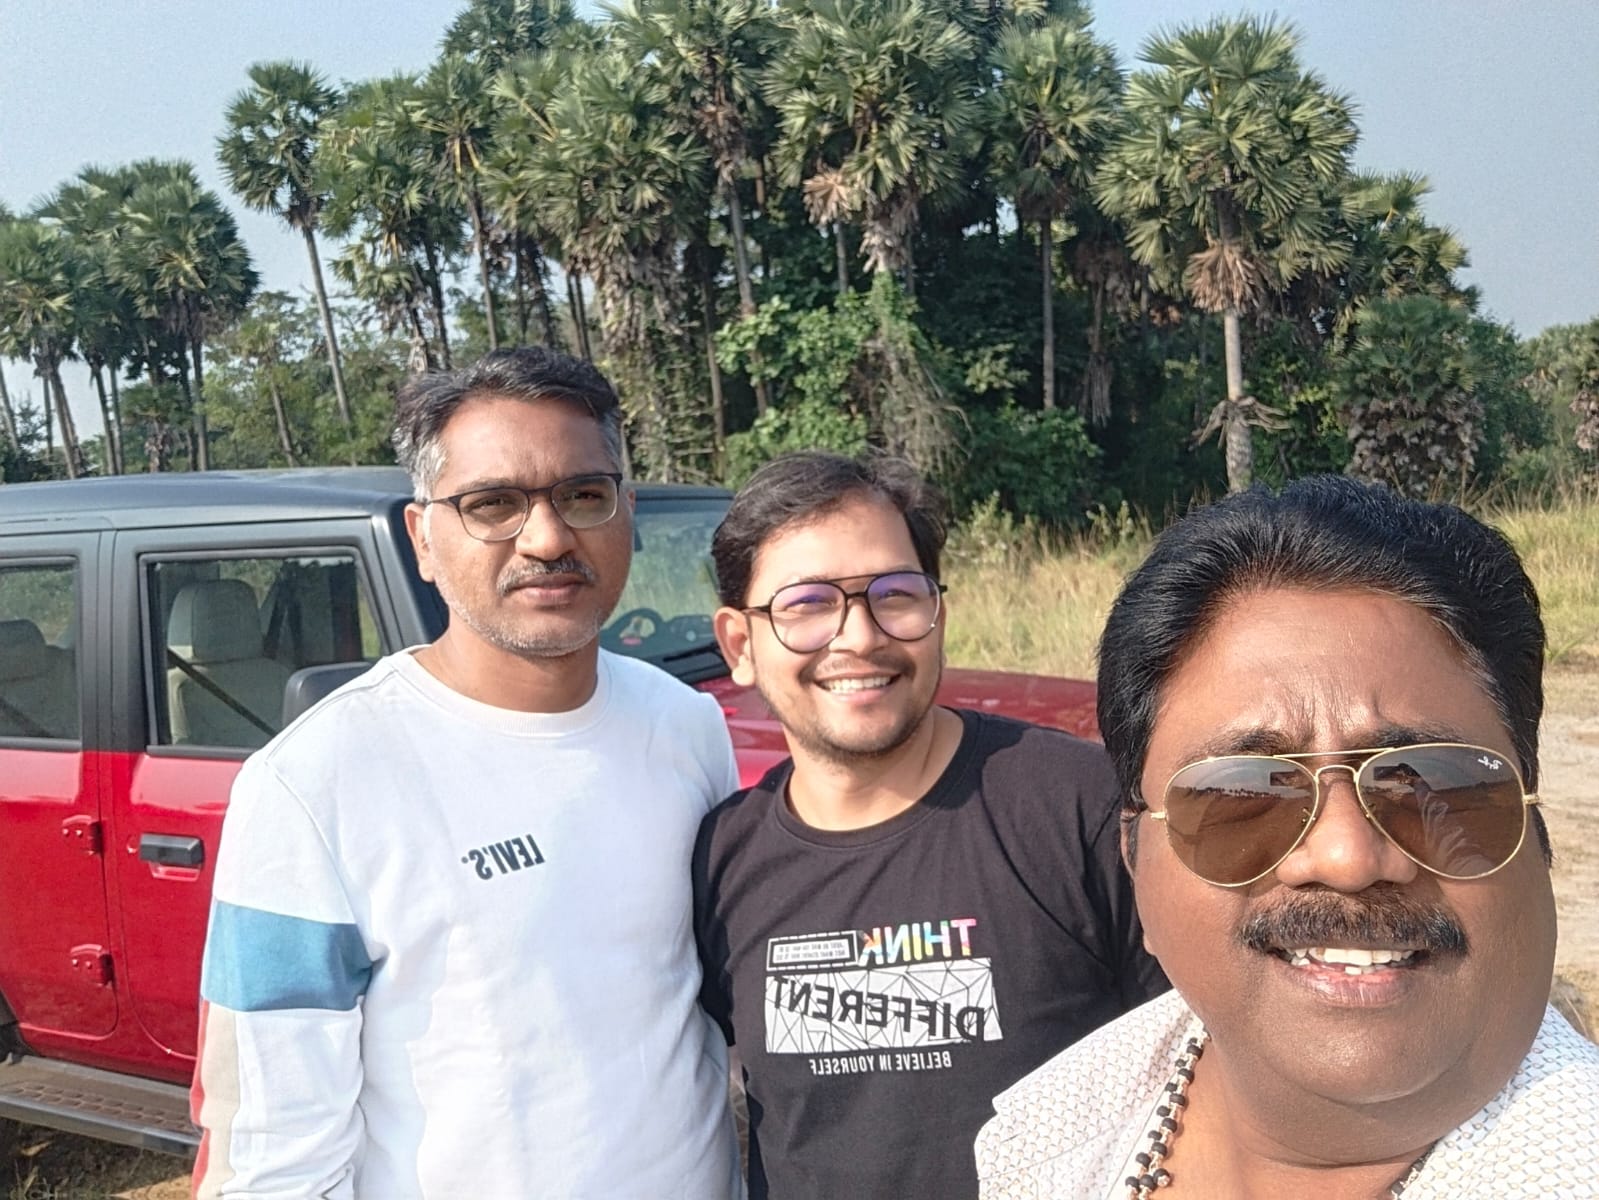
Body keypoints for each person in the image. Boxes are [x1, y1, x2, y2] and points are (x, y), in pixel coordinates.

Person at [191, 348, 742, 1199]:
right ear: (423, 538)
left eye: (582, 495)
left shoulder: (685, 726)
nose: (547, 538)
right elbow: (274, 1151)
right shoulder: (314, 783)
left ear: (625, 512)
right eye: (492, 504)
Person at [976, 475, 1599, 1199]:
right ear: (1135, 860)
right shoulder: (1040, 1142)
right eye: (1243, 793)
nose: (1345, 856)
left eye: (1427, 781)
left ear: (1536, 834)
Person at [694, 451, 1167, 1200]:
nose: (859, 637)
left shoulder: (1082, 808)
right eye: (807, 604)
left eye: (894, 594)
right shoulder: (720, 864)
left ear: (937, 613)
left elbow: (1207, 1069)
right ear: (739, 645)